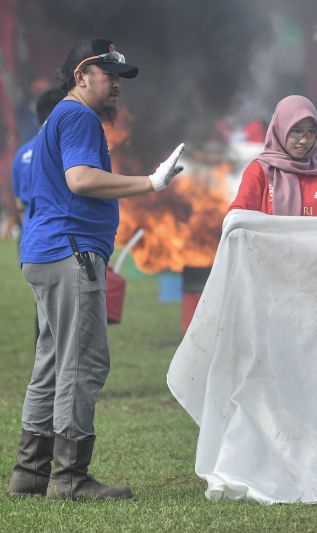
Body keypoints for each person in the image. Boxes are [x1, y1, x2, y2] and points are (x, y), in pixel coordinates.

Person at [9, 38, 185, 501]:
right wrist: (152, 182)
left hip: (46, 253)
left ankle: (30, 473)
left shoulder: (60, 116)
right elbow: (81, 179)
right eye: (108, 75)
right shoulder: (79, 115)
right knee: (82, 362)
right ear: (81, 75)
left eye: (119, 77)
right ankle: (68, 479)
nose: (116, 85)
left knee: (50, 361)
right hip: (71, 252)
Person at [229, 95, 317, 216]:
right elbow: (239, 214)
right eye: (296, 131)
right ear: (280, 129)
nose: (304, 140)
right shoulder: (259, 171)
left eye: (311, 132)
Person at [12, 88, 65, 233]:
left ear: (37, 119)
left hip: (30, 236)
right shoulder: (66, 150)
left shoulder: (21, 153)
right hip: (61, 237)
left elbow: (20, 205)